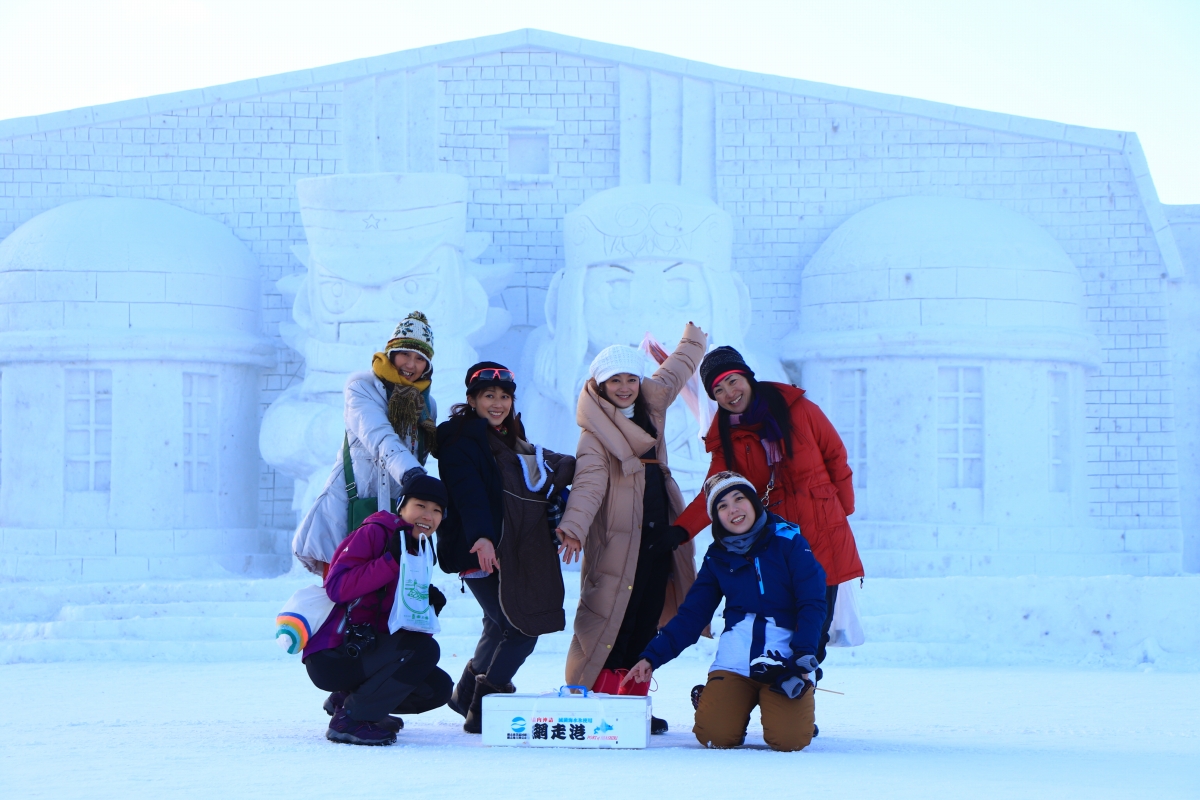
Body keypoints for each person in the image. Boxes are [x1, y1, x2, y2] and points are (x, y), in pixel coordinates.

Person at [671, 345, 864, 680]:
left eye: (733, 381)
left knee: (814, 633)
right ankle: (787, 706)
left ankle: (797, 705)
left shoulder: (799, 409)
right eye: (719, 389)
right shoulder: (727, 439)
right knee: (785, 629)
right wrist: (680, 531)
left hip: (823, 536)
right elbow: (714, 491)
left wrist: (840, 509)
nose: (730, 393)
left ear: (747, 376)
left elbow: (836, 456)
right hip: (780, 546)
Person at [556, 322, 707, 735]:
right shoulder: (595, 435)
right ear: (600, 386)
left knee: (645, 619)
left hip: (658, 537)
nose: (624, 387)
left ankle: (630, 703)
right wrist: (573, 527)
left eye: (630, 378)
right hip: (618, 545)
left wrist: (694, 340)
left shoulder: (651, 406)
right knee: (606, 620)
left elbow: (675, 371)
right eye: (614, 381)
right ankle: (594, 699)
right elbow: (587, 486)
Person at [624, 471, 827, 752]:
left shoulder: (790, 542)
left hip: (783, 661)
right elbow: (692, 615)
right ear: (716, 518)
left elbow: (812, 601)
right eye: (722, 506)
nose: (733, 510)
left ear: (754, 502)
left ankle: (794, 699)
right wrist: (651, 657)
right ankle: (712, 698)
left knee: (789, 740)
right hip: (735, 659)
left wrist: (804, 652)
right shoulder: (717, 557)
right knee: (715, 737)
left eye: (738, 499)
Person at [434, 362, 576, 734]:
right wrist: (482, 536)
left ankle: (464, 697)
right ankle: (484, 708)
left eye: (504, 397)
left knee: (499, 623)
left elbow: (540, 472)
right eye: (488, 396)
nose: (497, 404)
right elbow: (469, 493)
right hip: (480, 546)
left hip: (512, 547)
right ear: (471, 400)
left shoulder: (511, 439)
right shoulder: (459, 438)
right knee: (520, 625)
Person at [302, 475, 452, 746]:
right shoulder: (376, 533)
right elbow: (337, 587)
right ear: (402, 506)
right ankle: (351, 718)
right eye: (421, 506)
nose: (428, 516)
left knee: (437, 688)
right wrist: (390, 561)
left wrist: (424, 608)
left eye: (437, 510)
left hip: (367, 649)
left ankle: (352, 700)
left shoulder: (420, 549)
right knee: (426, 652)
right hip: (334, 654)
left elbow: (399, 630)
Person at [293, 311, 439, 575]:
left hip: (396, 519)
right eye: (405, 353)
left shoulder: (427, 406)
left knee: (388, 605)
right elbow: (380, 436)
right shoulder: (362, 387)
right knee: (340, 600)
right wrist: (413, 474)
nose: (411, 364)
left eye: (420, 358)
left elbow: (422, 454)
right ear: (391, 352)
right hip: (349, 509)